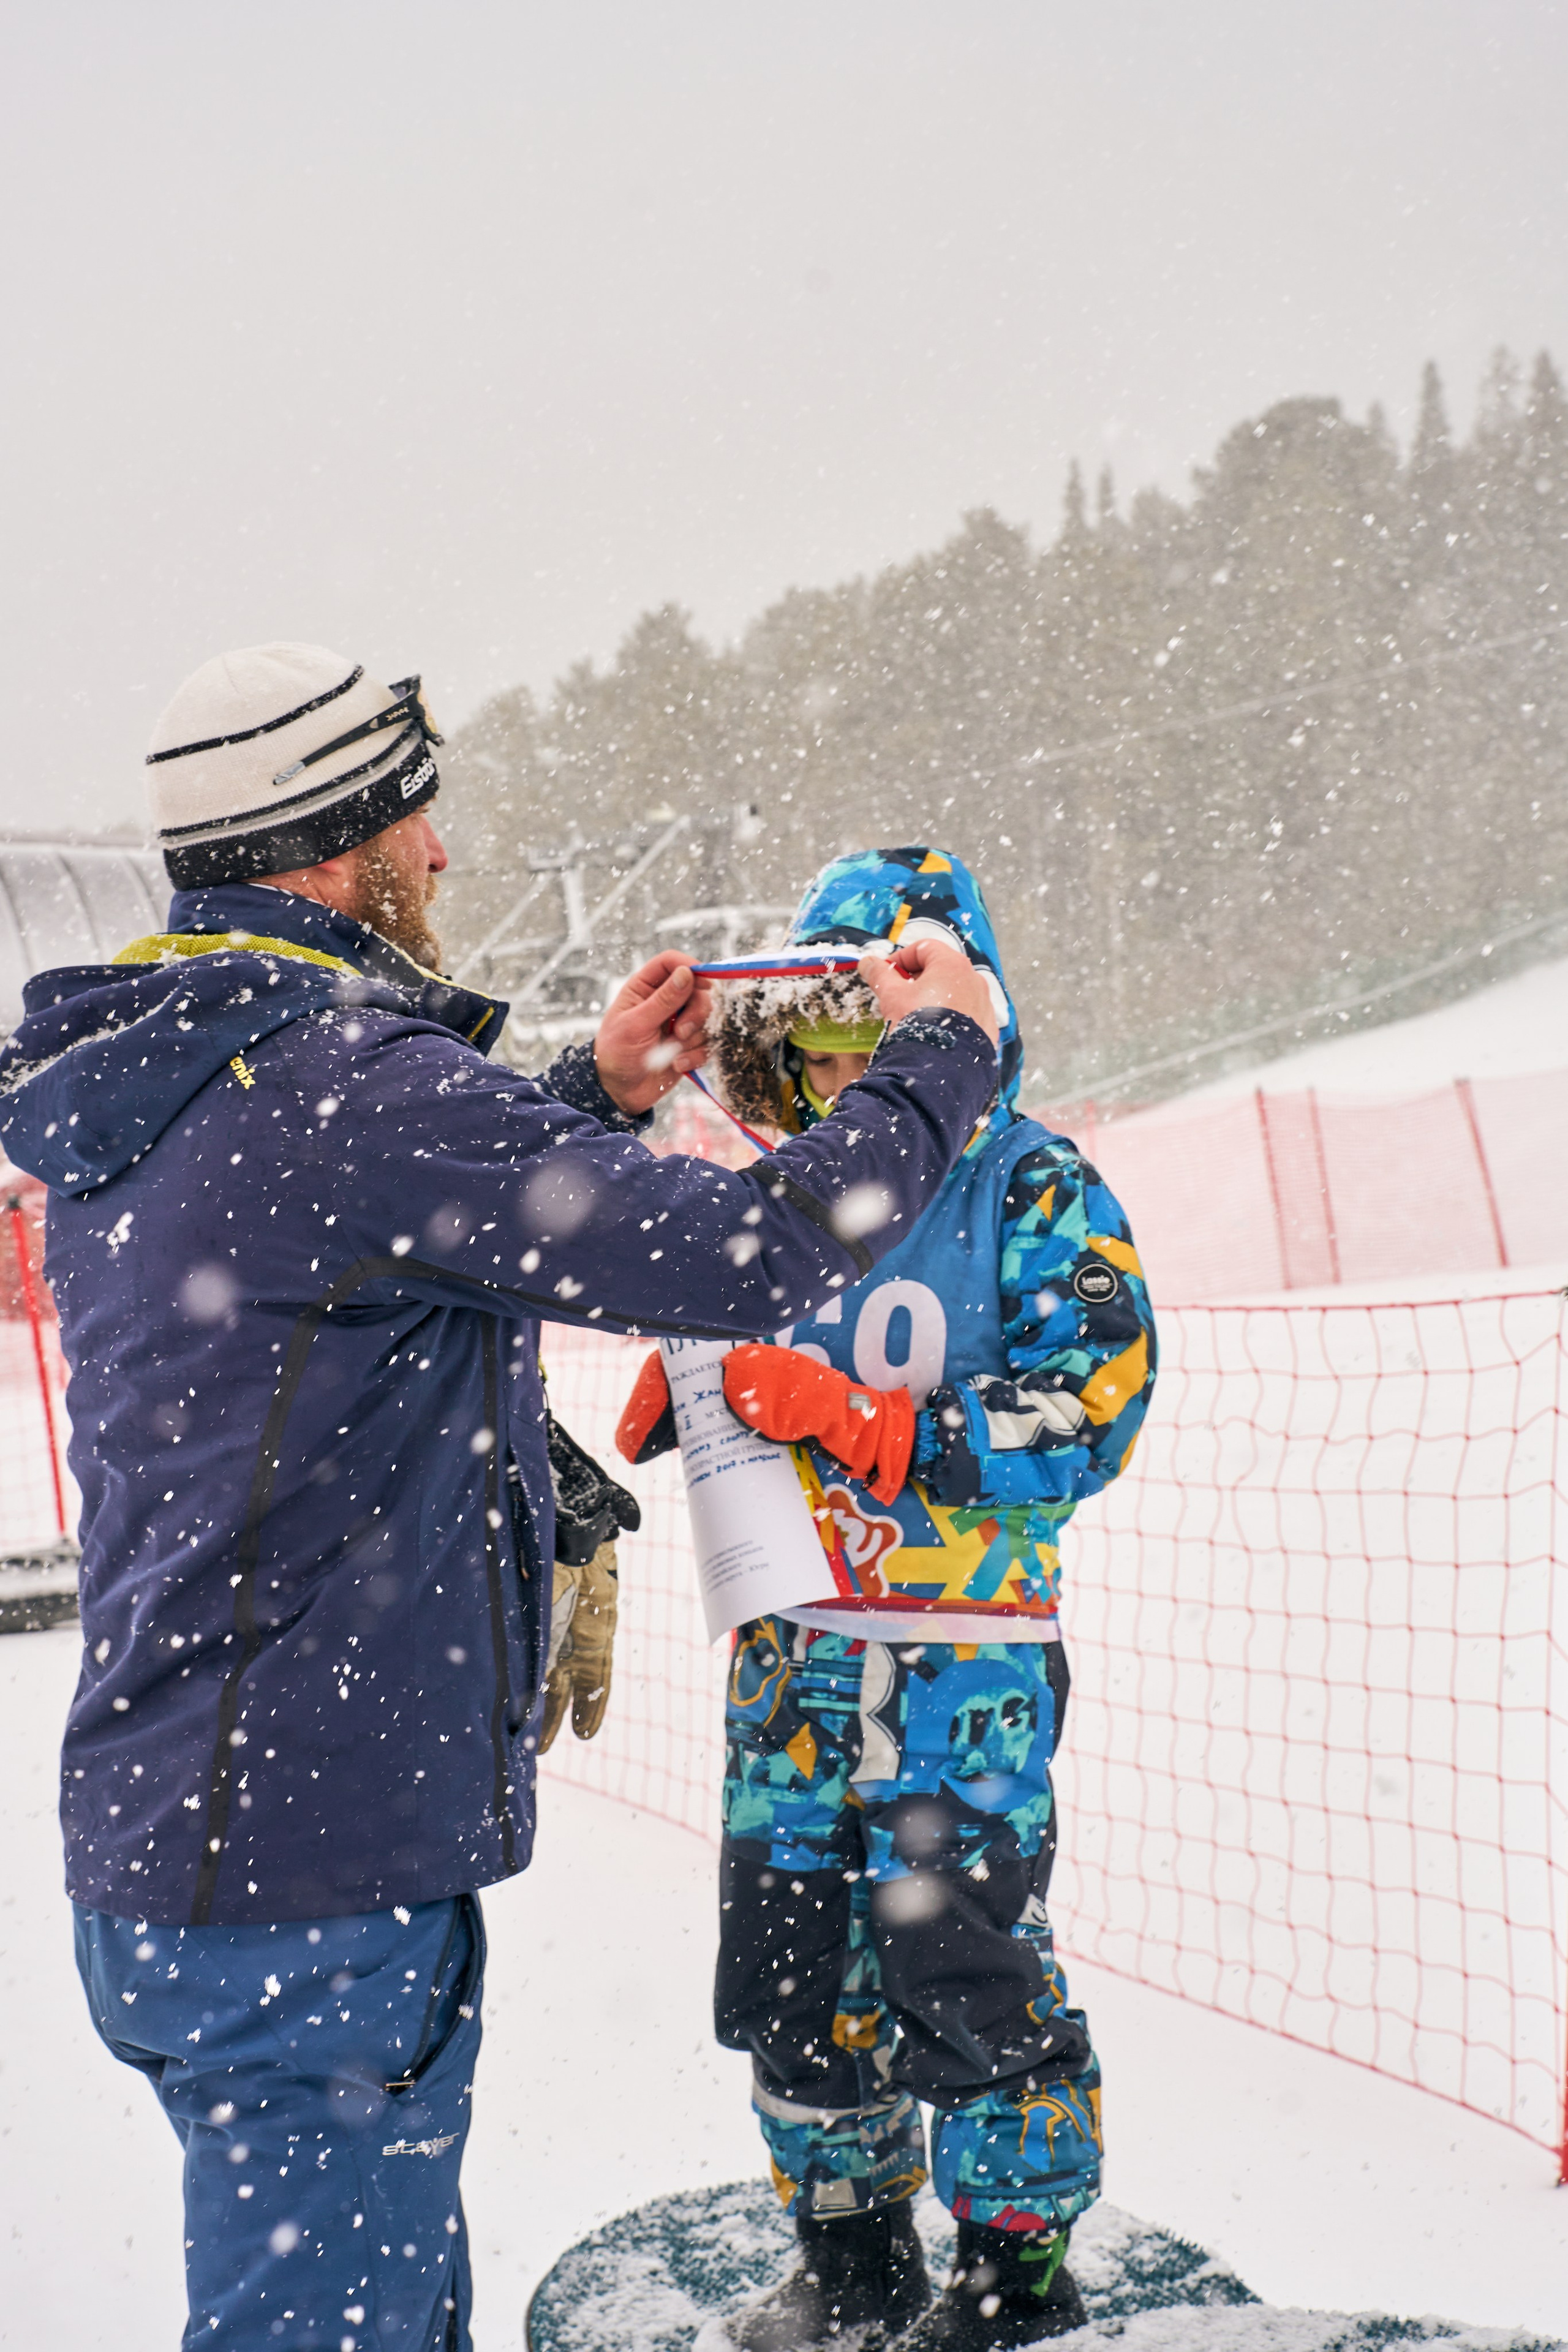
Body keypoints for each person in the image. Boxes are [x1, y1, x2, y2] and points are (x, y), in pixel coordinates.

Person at [0, 647, 1000, 2352]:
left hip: (206, 1845)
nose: (443, 856)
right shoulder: (343, 1085)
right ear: (333, 844)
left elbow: (351, 1263)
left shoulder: (189, 1074)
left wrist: (587, 1103)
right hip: (300, 1887)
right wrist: (940, 1063)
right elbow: (745, 1254)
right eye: (414, 817)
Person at [618, 848, 1156, 2350]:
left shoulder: (1032, 1182)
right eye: (821, 1026)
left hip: (956, 1666)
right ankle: (847, 2240)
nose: (844, 1060)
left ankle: (1012, 2262)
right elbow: (725, 1340)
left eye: (878, 1021)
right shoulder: (777, 1189)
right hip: (788, 1663)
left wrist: (886, 1428)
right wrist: (695, 1394)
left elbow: (1093, 1407)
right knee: (790, 1968)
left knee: (962, 1966)